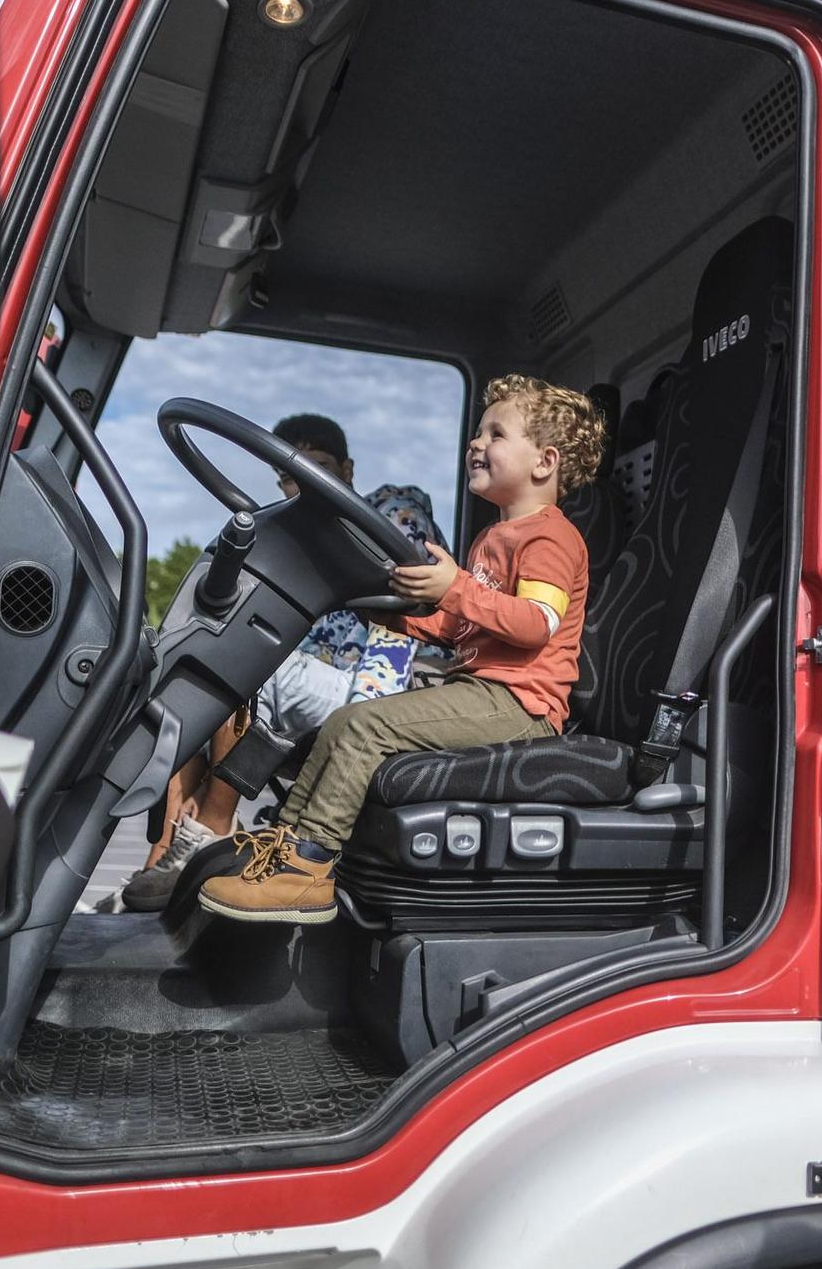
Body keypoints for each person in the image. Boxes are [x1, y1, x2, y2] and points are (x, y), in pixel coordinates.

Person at [195, 373, 605, 925]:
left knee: (368, 727)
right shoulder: (493, 538)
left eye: (496, 434)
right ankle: (286, 844)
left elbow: (535, 624)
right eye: (477, 433)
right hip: (480, 691)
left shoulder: (549, 538)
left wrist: (454, 587)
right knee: (346, 720)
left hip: (521, 706)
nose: (476, 443)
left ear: (544, 462)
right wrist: (396, 615)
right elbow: (468, 629)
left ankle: (310, 870)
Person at [118, 413, 445, 911]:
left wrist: (370, 709)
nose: (303, 484)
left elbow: (412, 611)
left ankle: (209, 828)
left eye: (319, 469)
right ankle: (165, 853)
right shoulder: (290, 534)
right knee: (192, 670)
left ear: (347, 470)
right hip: (311, 683)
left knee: (243, 669)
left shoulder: (392, 511)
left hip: (389, 682)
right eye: (291, 475)